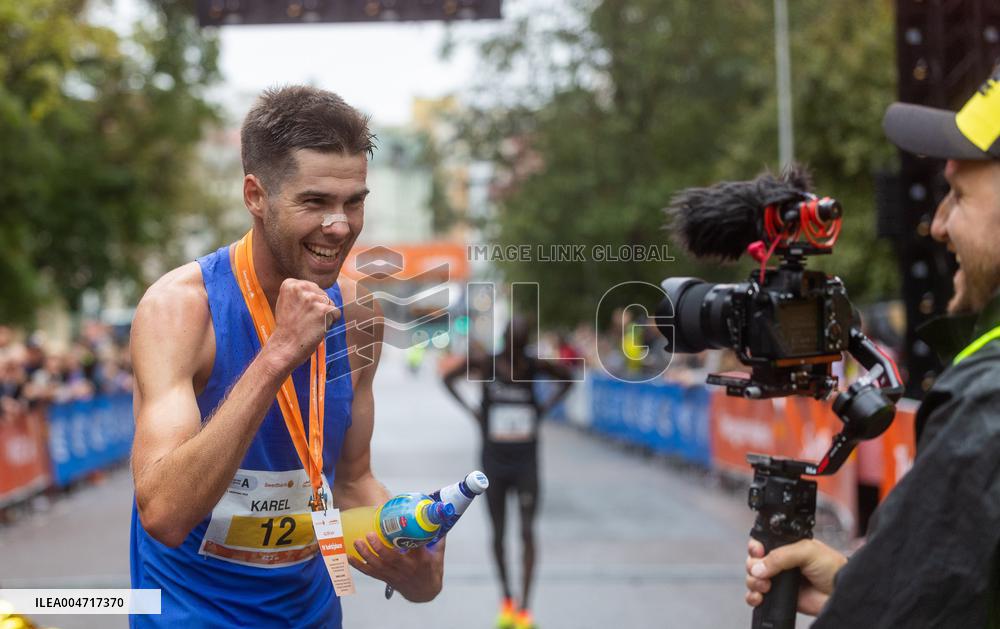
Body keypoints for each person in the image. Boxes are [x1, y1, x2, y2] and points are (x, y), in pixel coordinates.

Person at [129, 85, 444, 628]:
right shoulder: (180, 310)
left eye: (354, 201)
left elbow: (352, 480)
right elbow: (164, 512)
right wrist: (278, 355)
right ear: (256, 195)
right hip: (191, 617)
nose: (340, 225)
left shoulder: (360, 315)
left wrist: (410, 552)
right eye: (315, 201)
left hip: (312, 614)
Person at [745, 67, 1000, 627]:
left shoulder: (989, 396)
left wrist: (868, 602)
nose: (937, 225)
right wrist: (857, 583)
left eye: (958, 195)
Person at [442, 319, 573, 629]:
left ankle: (525, 609)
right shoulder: (486, 363)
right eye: (513, 345)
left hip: (526, 462)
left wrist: (544, 408)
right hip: (494, 463)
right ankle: (507, 601)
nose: (517, 353)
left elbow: (567, 378)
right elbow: (448, 379)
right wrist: (473, 411)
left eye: (521, 345)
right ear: (504, 341)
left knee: (527, 531)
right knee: (499, 534)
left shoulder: (534, 365)